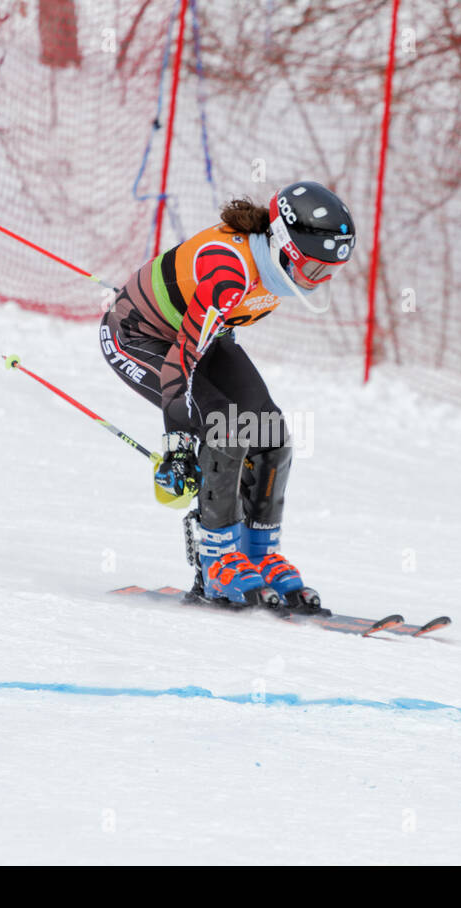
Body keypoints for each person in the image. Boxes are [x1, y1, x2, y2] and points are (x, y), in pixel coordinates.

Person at [99, 181, 357, 607]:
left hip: (197, 336)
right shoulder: (229, 271)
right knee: (226, 425)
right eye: (314, 269)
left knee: (270, 431)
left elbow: (212, 335)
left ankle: (259, 554)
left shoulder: (274, 269)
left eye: (329, 272)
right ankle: (216, 559)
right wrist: (179, 448)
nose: (319, 281)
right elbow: (181, 361)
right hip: (137, 338)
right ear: (283, 247)